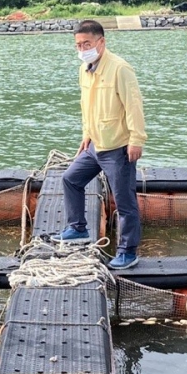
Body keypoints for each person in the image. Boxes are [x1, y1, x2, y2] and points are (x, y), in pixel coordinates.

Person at [58, 20, 147, 270]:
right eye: (78, 45)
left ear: (101, 42)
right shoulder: (84, 69)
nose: (82, 49)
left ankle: (128, 252)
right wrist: (86, 133)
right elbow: (86, 105)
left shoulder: (120, 69)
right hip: (95, 144)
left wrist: (136, 140)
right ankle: (78, 228)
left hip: (118, 146)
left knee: (124, 200)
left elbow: (134, 106)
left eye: (87, 43)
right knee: (70, 179)